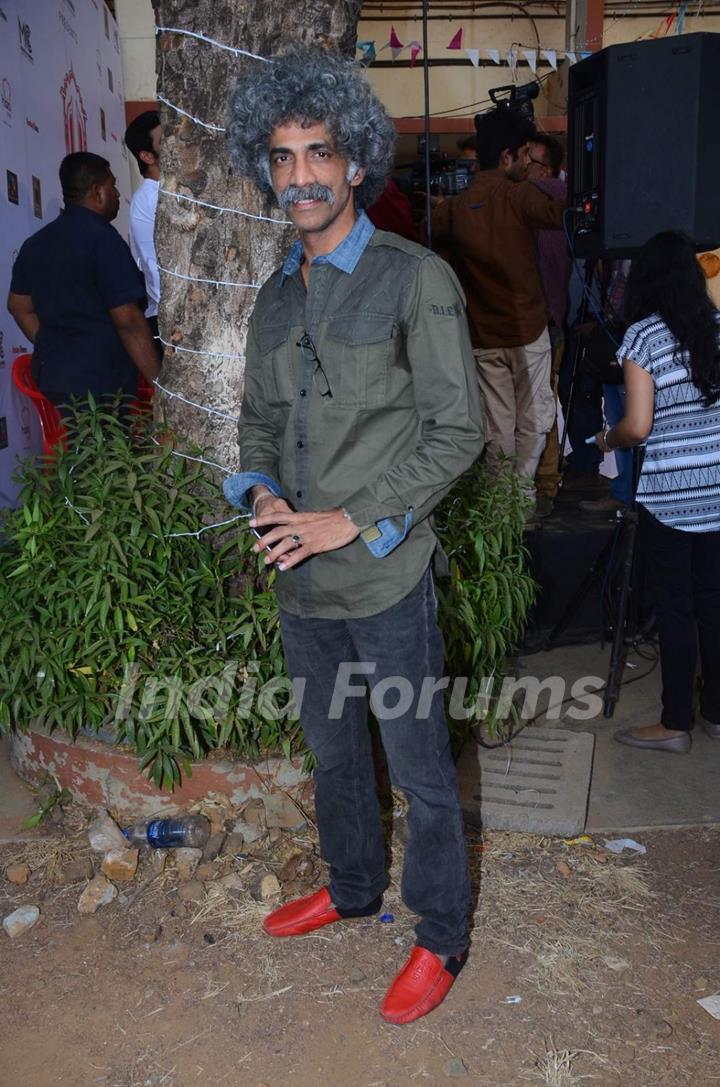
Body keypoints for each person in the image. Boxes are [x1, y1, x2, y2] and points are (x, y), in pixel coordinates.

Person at [222, 46, 484, 1025]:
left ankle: (441, 934)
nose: (300, 176)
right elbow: (254, 423)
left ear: (356, 162)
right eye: (282, 158)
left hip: (383, 574)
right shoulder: (274, 296)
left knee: (417, 765)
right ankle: (353, 885)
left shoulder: (415, 279)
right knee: (333, 755)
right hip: (302, 585)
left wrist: (352, 517)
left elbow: (459, 430)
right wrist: (260, 498)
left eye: (318, 153)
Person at [593, 232, 720, 753]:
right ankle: (716, 713)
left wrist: (607, 437)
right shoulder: (717, 326)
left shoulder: (644, 337)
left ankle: (674, 723)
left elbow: (639, 427)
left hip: (671, 494)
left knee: (675, 605)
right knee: (714, 603)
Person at [430, 109, 564, 505]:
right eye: (524, 154)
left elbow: (429, 247)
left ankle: (496, 507)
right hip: (526, 331)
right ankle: (519, 503)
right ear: (506, 157)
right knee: (535, 421)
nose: (528, 163)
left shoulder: (452, 208)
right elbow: (569, 216)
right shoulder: (520, 195)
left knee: (497, 427)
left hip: (481, 335)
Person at [7, 151, 161, 413]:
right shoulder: (104, 241)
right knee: (106, 453)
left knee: (79, 451)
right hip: (102, 385)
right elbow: (128, 321)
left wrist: (54, 345)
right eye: (113, 186)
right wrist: (160, 383)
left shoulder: (35, 244)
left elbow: (18, 306)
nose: (116, 195)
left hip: (56, 379)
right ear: (97, 192)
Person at [526, 134, 570, 516]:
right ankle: (548, 481)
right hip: (556, 315)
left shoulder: (531, 196)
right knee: (545, 400)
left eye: (530, 161)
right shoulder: (571, 198)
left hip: (533, 318)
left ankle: (544, 481)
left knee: (534, 403)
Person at [124, 110, 162, 357]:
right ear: (147, 156)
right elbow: (153, 265)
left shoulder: (169, 190)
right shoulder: (147, 199)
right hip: (171, 320)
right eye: (164, 141)